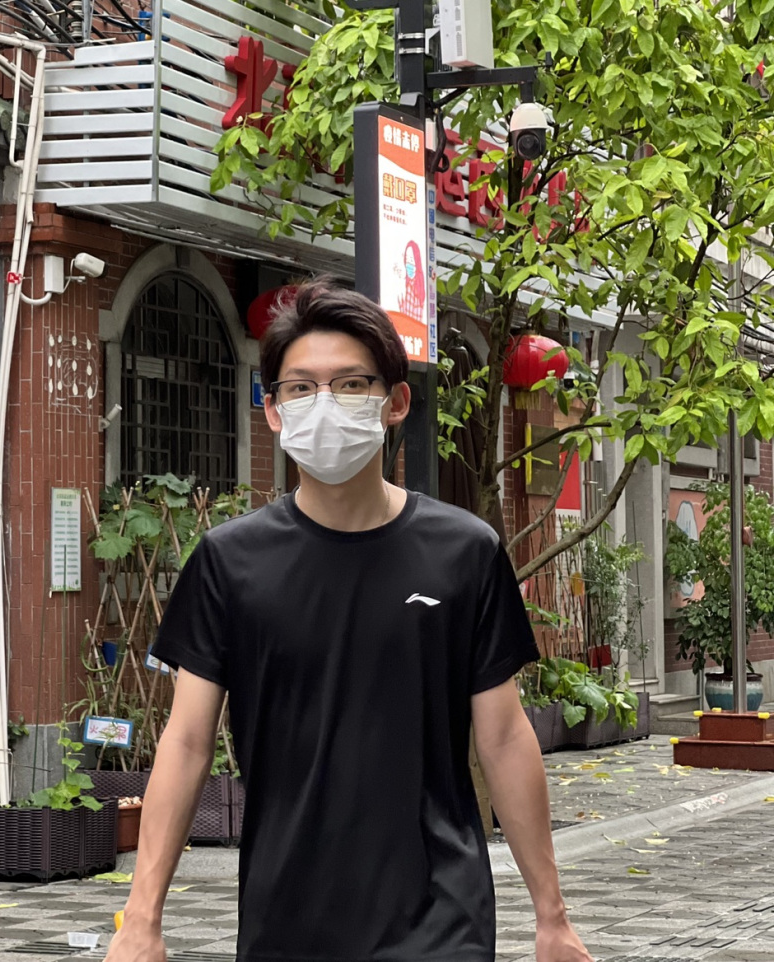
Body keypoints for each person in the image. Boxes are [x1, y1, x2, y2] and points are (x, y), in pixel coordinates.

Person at [106, 280, 593, 962]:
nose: (324, 404)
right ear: (273, 410)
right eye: (301, 388)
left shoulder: (463, 552)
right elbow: (186, 743)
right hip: (287, 919)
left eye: (351, 384)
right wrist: (140, 919)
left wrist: (552, 916)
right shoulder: (229, 562)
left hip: (440, 918)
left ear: (396, 402)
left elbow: (506, 737)